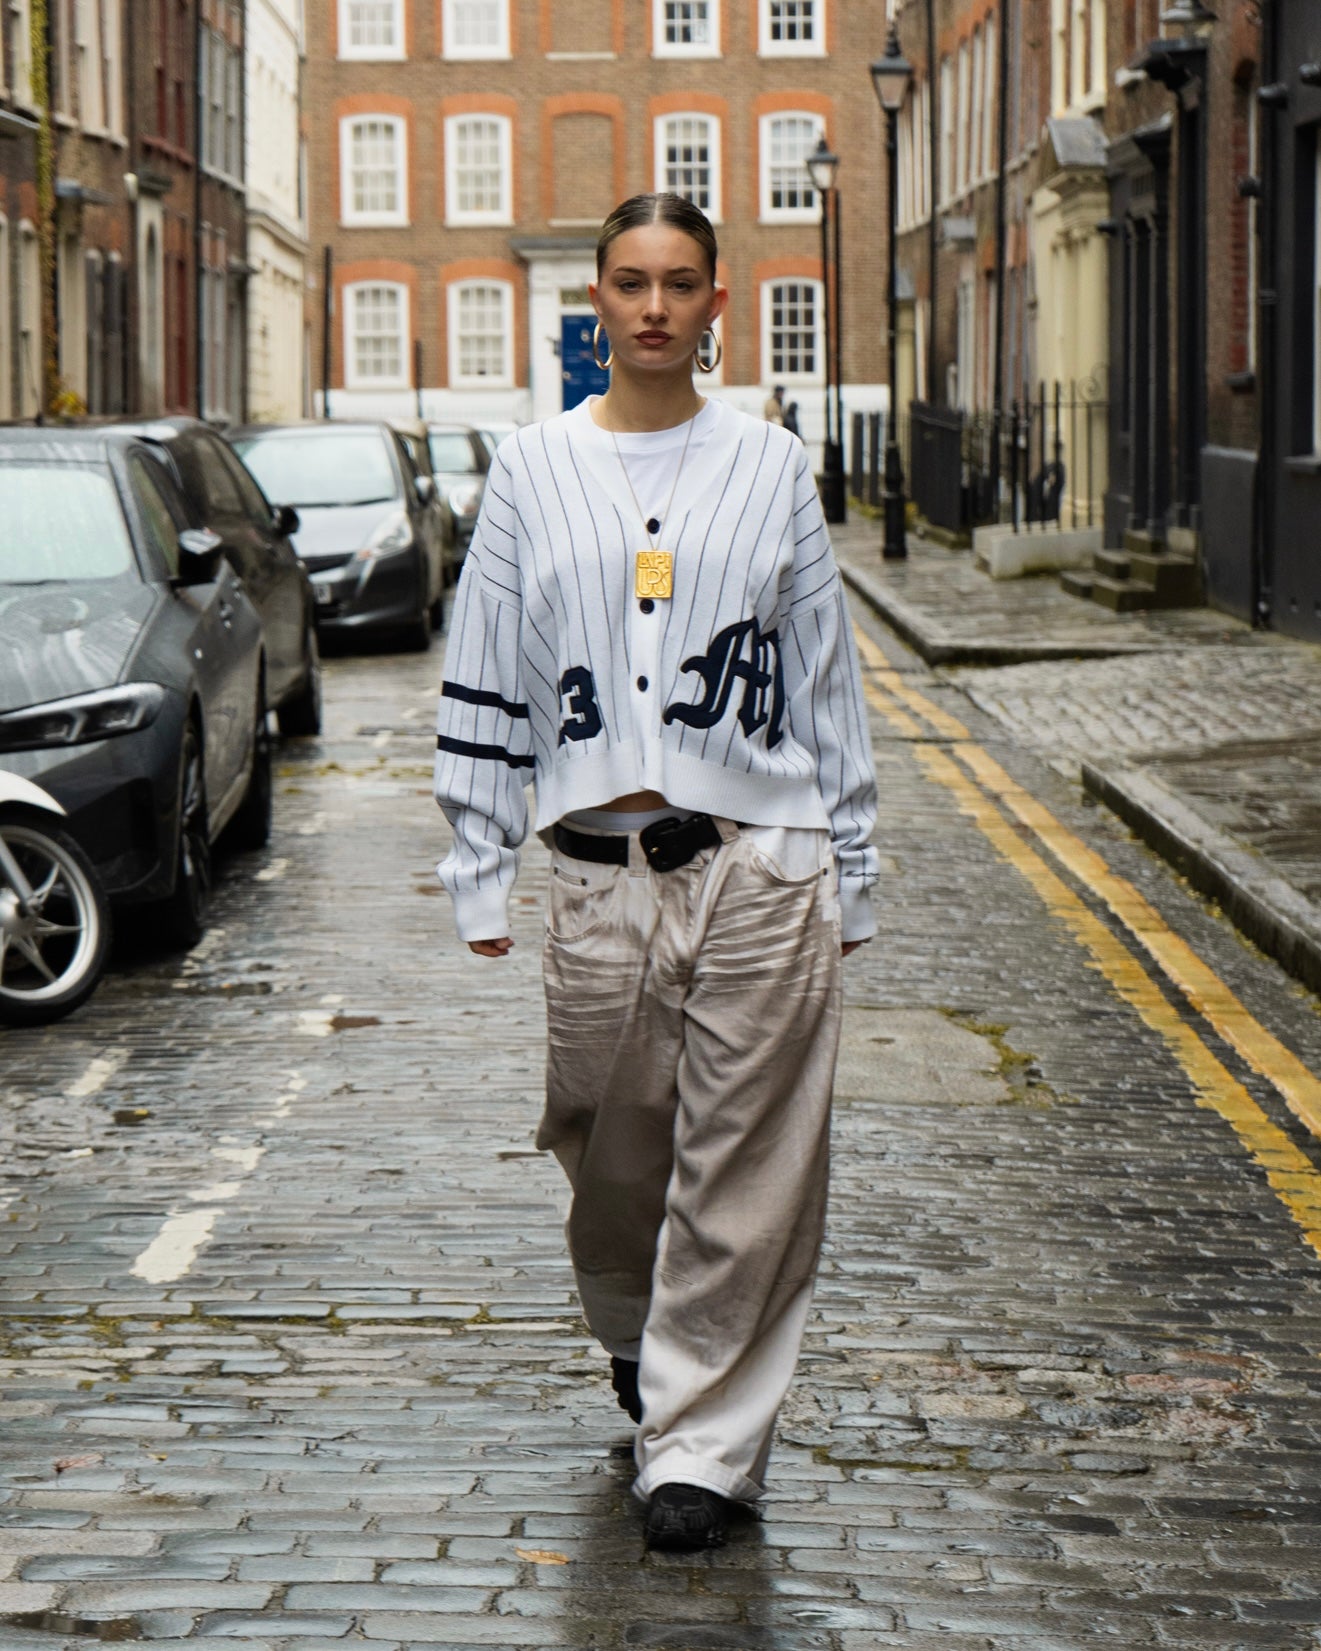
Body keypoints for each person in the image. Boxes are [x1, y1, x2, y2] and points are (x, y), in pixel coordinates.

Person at [433, 192, 878, 1553]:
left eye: (679, 283)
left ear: (714, 304)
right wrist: (476, 856)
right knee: (609, 1145)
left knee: (746, 1168)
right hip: (591, 875)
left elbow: (823, 681)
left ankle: (698, 1445)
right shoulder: (530, 469)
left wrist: (847, 864)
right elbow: (486, 660)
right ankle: (640, 1338)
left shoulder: (770, 468)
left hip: (758, 862)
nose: (651, 308)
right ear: (597, 302)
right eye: (628, 283)